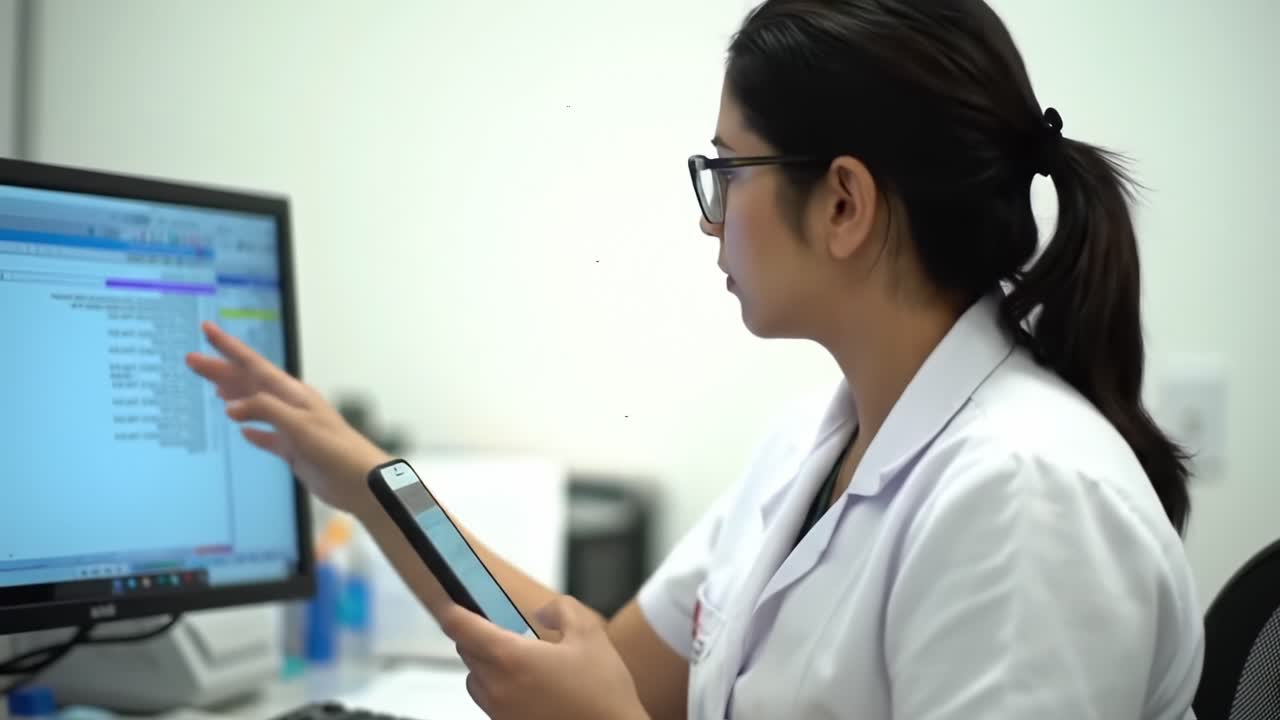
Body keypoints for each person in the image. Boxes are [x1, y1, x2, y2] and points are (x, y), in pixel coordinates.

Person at [187, 0, 1205, 717]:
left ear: (844, 203)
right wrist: (372, 484)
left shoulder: (1026, 501)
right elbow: (590, 660)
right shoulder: (815, 445)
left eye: (724, 171)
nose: (708, 220)